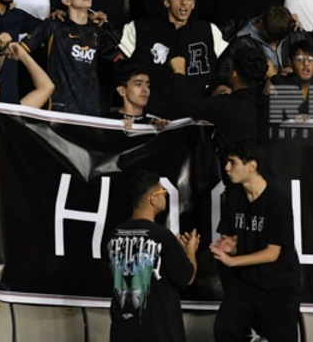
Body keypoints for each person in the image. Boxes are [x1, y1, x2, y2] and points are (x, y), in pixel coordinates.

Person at [211, 143, 301, 342]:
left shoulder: (278, 201)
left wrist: (233, 260)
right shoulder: (233, 198)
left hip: (277, 287)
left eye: (233, 163)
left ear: (251, 166)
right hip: (245, 283)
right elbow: (232, 241)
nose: (226, 168)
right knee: (224, 330)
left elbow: (272, 253)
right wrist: (231, 249)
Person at [107, 170, 199, 341]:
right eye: (162, 192)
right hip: (159, 332)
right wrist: (190, 251)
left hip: (122, 331)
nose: (165, 196)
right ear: (153, 199)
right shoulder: (162, 236)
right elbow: (187, 278)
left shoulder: (115, 234)